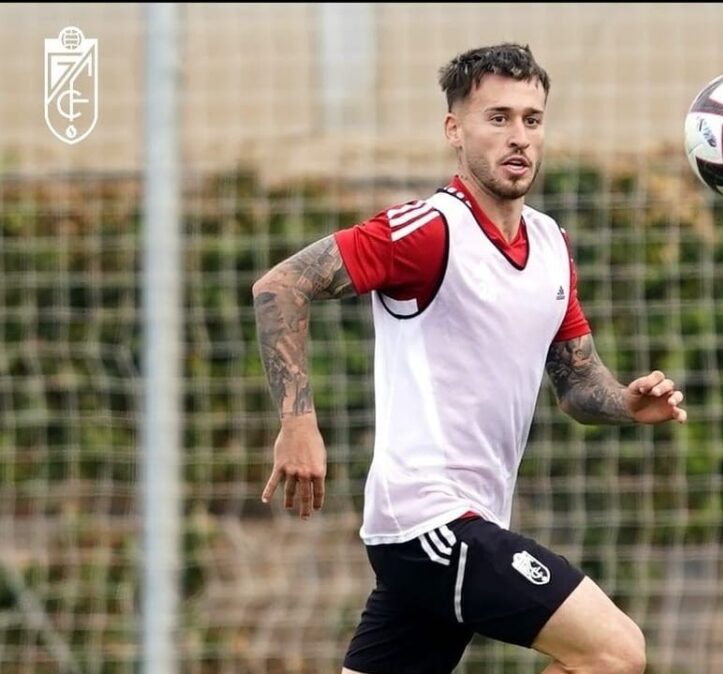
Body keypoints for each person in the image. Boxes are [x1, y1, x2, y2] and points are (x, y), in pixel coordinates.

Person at [252, 43, 687, 674]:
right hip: (429, 520)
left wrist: (624, 401)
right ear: (455, 130)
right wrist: (297, 424)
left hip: (458, 523)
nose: (519, 138)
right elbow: (281, 286)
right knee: (615, 652)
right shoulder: (427, 231)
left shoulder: (550, 244)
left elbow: (575, 382)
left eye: (532, 120)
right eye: (498, 118)